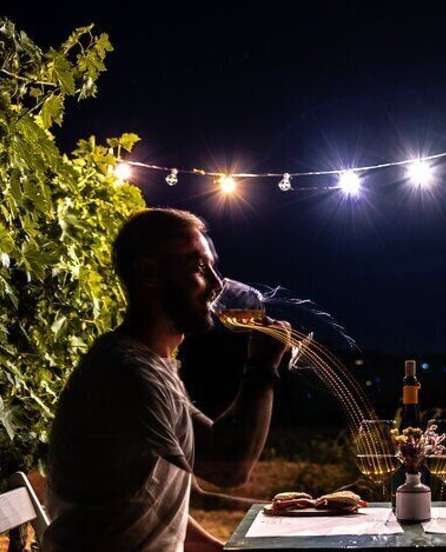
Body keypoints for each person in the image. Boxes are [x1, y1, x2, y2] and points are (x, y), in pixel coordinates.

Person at [44, 208, 290, 551]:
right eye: (198, 268)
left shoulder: (148, 364)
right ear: (148, 273)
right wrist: (262, 367)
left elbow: (154, 500)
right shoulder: (128, 373)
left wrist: (220, 549)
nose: (217, 285)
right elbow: (229, 466)